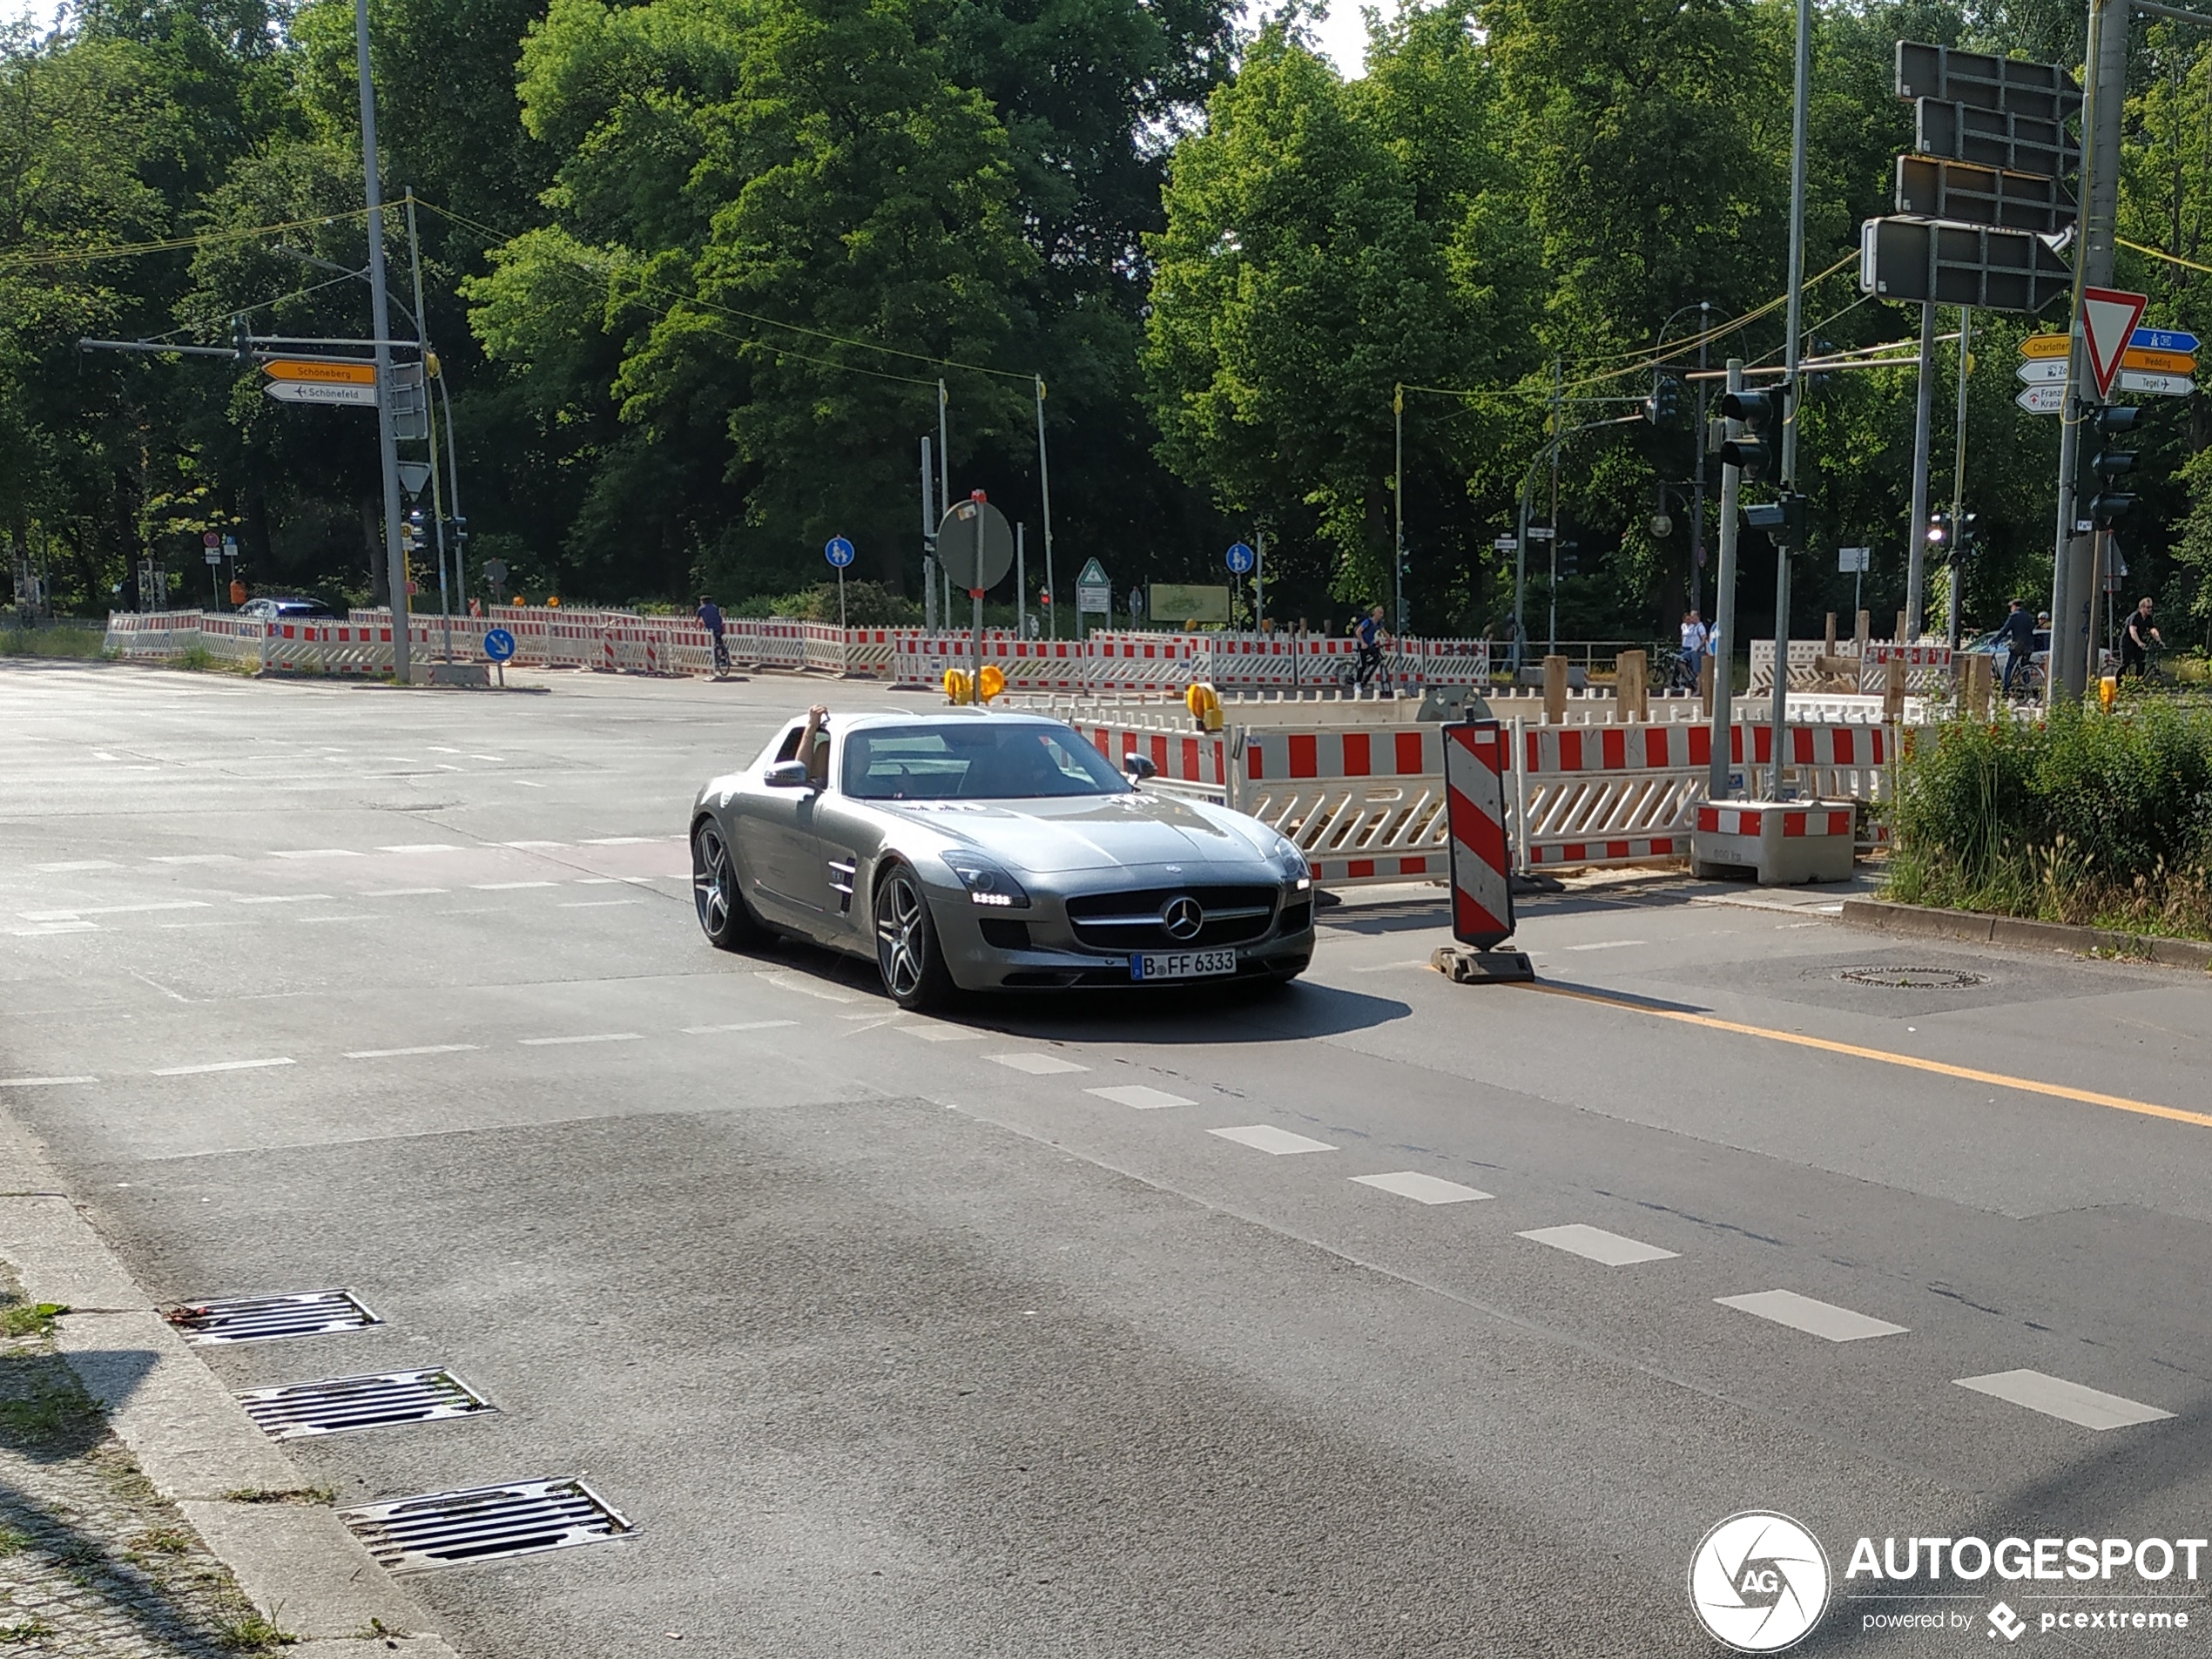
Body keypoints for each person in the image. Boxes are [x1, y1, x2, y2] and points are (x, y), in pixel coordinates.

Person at [1996, 597, 2036, 696]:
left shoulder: (2013, 616)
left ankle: (2005, 689)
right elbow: (2031, 629)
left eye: (2011, 607)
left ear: (2014, 606)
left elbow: (2004, 630)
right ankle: (2028, 687)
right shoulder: (2028, 616)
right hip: (2029, 646)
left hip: (2017, 646)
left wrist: (1995, 640)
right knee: (2025, 666)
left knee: (2008, 667)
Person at [2120, 597, 2163, 678]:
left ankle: (2138, 683)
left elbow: (2152, 629)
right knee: (2125, 664)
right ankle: (2118, 684)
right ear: (2142, 607)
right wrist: (2139, 642)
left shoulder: (2148, 618)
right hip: (2127, 643)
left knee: (2141, 663)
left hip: (2138, 643)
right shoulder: (2135, 616)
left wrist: (2159, 640)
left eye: (2151, 607)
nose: (2150, 609)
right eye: (2148, 607)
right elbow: (2133, 631)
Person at [1354, 604, 1388, 691]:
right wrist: (1362, 643)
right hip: (1362, 644)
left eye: (1382, 613)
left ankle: (1367, 667)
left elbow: (1385, 632)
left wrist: (1390, 641)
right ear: (1375, 613)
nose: (1381, 615)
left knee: (1378, 657)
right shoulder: (1367, 622)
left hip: (1370, 644)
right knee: (1362, 665)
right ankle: (1357, 684)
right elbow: (1358, 632)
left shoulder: (1379, 623)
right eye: (1380, 613)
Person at [1678, 609, 1709, 692]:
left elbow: (1704, 638)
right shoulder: (1694, 627)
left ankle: (1699, 690)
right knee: (1679, 659)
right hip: (1692, 650)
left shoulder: (1700, 627)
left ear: (1696, 617)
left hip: (1697, 652)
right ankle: (1689, 678)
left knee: (1698, 671)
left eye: (1692, 617)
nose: (1691, 619)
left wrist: (1698, 648)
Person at [697, 593, 728, 673]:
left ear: (702, 601)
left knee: (711, 643)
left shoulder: (701, 608)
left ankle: (714, 657)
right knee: (719, 640)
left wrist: (694, 627)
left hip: (709, 629)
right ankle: (724, 656)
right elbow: (719, 618)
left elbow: (697, 619)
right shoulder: (714, 607)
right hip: (718, 627)